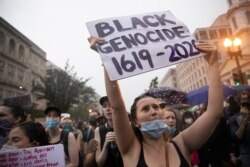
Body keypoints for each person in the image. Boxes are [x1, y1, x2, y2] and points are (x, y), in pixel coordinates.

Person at [89, 36, 223, 167]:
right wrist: (106, 60)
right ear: (136, 122)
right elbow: (117, 106)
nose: (153, 111)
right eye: (145, 109)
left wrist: (213, 63)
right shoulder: (131, 149)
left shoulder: (182, 143)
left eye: (156, 107)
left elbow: (214, 113)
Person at [94, 96, 123, 167]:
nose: (107, 109)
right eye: (104, 106)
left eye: (111, 105)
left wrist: (119, 143)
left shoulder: (127, 128)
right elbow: (99, 163)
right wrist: (106, 145)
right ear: (103, 111)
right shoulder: (99, 130)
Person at [229, 91, 250, 167]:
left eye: (247, 104)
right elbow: (237, 139)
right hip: (247, 159)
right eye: (243, 105)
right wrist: (245, 120)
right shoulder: (234, 119)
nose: (246, 107)